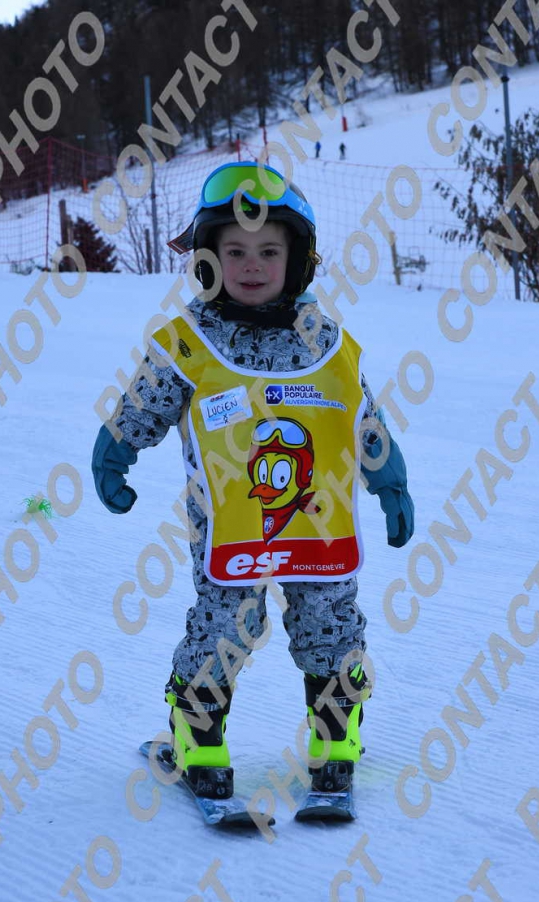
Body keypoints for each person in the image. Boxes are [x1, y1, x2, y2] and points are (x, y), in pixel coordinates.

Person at [91, 162, 414, 802]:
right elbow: (145, 402)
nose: (251, 265)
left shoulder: (324, 341)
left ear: (298, 261)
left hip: (320, 523)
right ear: (207, 257)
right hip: (231, 527)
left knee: (330, 621)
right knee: (225, 623)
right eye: (234, 251)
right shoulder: (191, 341)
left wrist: (389, 481)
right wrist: (117, 451)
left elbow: (363, 417)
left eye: (269, 251)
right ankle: (200, 737)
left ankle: (335, 738)